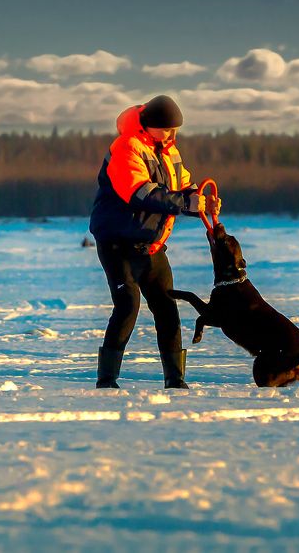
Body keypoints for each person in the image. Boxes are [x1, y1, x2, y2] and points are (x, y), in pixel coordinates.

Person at [89, 95, 218, 389]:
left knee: (166, 307)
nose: (172, 135)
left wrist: (201, 200)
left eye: (175, 130)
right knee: (127, 304)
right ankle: (106, 380)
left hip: (152, 247)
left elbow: (183, 185)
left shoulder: (169, 150)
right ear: (149, 125)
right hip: (117, 244)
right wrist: (190, 204)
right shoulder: (126, 148)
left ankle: (176, 379)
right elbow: (141, 194)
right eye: (167, 129)